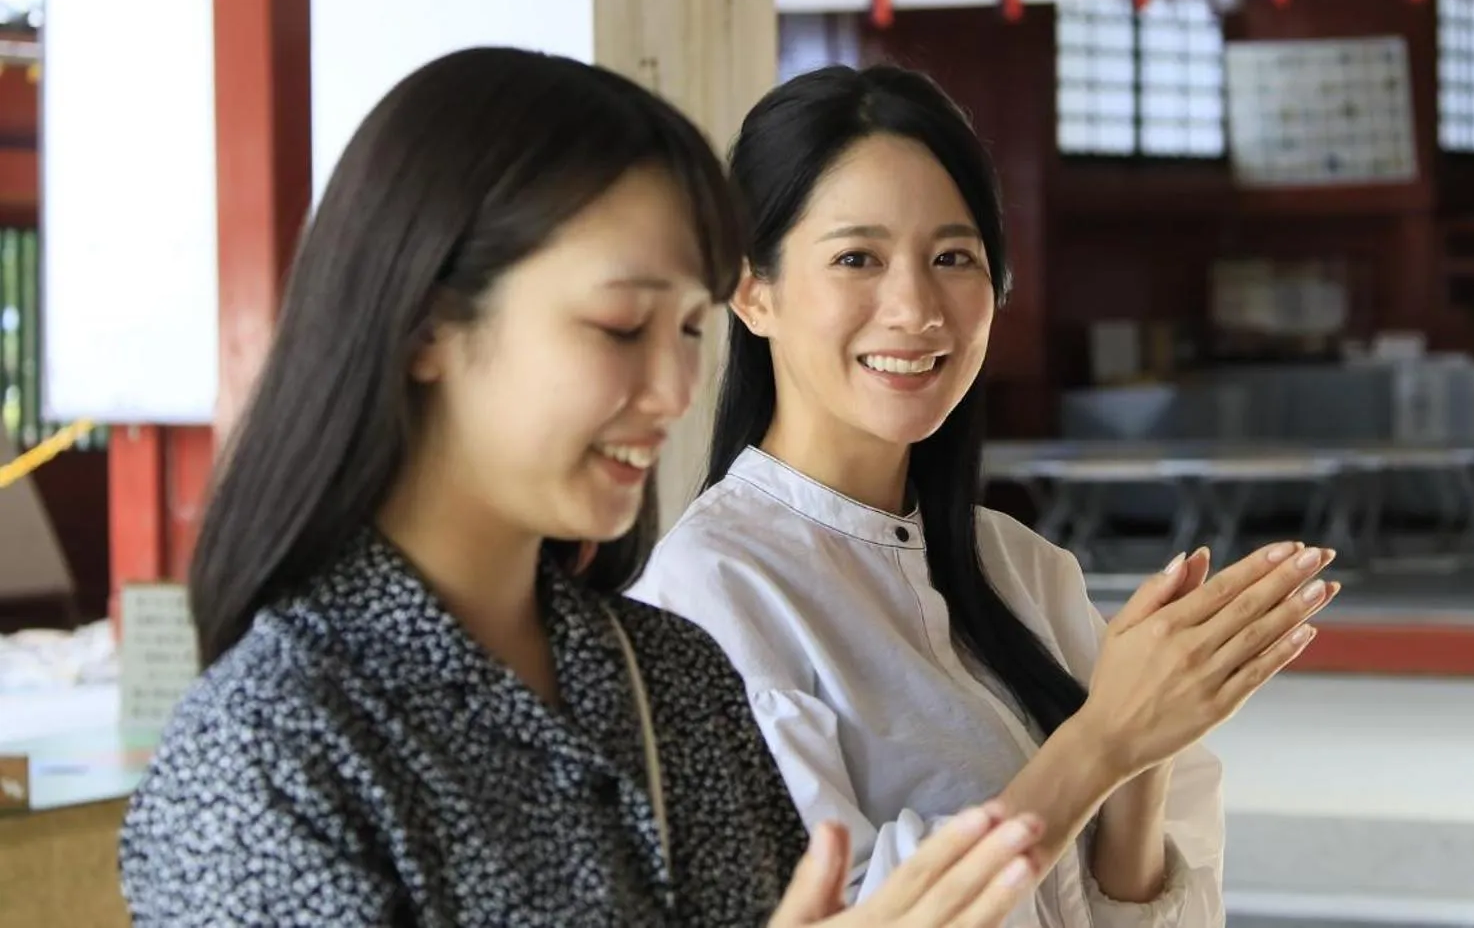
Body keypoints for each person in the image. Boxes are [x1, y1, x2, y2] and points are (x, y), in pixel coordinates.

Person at [118, 48, 1047, 928]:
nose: (673, 391)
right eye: (618, 325)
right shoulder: (266, 748)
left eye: (688, 330)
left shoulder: (674, 680)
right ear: (427, 326)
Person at [628, 64, 1338, 927]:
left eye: (952, 257)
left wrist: (1148, 752)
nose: (916, 306)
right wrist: (1101, 739)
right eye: (858, 257)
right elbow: (844, 913)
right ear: (752, 289)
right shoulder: (705, 595)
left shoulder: (1023, 568)